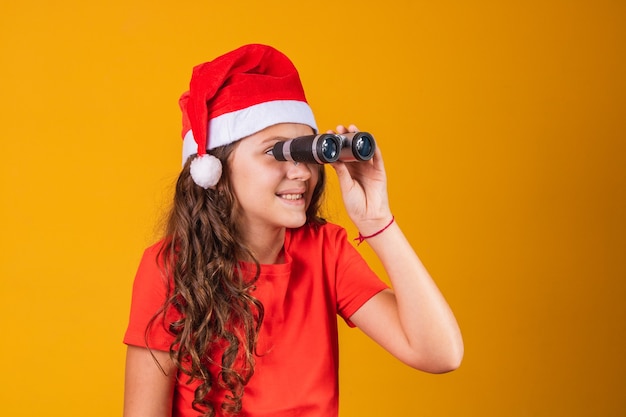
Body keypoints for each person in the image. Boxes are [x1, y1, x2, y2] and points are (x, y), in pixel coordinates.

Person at [123, 43, 463, 417]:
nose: (301, 172)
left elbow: (440, 353)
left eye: (305, 153)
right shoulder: (170, 267)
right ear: (214, 169)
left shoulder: (325, 251)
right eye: (276, 153)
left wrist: (377, 221)